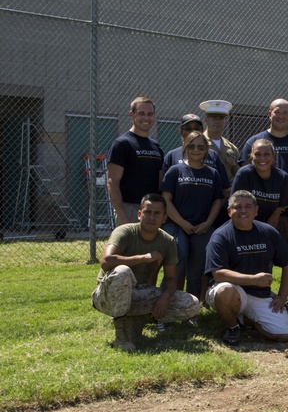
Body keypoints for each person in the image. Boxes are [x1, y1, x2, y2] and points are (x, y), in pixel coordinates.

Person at [92, 194, 200, 351]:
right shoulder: (124, 232)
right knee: (122, 272)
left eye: (157, 213)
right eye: (147, 212)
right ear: (139, 214)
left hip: (138, 294)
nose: (151, 217)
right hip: (107, 296)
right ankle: (121, 336)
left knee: (191, 303)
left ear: (164, 218)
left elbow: (171, 278)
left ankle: (137, 322)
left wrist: (164, 297)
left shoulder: (167, 241)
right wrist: (143, 258)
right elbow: (106, 261)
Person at [204, 191, 288, 345]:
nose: (243, 211)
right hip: (232, 290)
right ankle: (233, 326)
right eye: (237, 207)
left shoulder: (268, 232)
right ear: (229, 211)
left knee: (284, 335)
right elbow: (218, 274)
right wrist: (253, 279)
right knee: (225, 292)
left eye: (248, 207)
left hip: (260, 294)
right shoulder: (220, 236)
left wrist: (282, 296)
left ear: (256, 211)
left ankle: (248, 320)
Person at [160, 130, 225, 304]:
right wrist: (182, 223)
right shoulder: (175, 171)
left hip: (202, 228)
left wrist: (208, 223)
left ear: (206, 150)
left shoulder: (212, 173)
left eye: (201, 147)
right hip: (177, 226)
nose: (196, 150)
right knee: (176, 266)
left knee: (196, 272)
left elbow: (217, 201)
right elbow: (166, 199)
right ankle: (164, 307)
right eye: (192, 146)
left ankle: (190, 309)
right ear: (185, 148)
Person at [239, 98, 288, 238]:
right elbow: (245, 173)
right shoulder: (254, 141)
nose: (281, 116)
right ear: (269, 113)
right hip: (257, 213)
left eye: (285, 112)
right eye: (277, 112)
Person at [106, 96, 165, 226]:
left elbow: (161, 181)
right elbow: (112, 182)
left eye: (150, 114)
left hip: (152, 209)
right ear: (131, 115)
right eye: (141, 114)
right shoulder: (122, 144)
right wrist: (122, 215)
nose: (146, 118)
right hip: (130, 208)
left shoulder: (157, 147)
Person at [232, 139, 288, 230]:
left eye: (267, 154)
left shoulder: (283, 178)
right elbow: (237, 209)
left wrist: (265, 234)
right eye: (257, 154)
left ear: (274, 157)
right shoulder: (244, 174)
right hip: (242, 226)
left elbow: (277, 211)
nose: (262, 158)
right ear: (251, 157)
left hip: (268, 227)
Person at [160, 113, 231, 188]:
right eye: (188, 129)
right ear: (181, 131)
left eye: (197, 128)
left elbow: (224, 187)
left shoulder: (212, 155)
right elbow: (164, 187)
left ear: (202, 130)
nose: (192, 132)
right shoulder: (172, 155)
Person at [201, 99, 240, 182]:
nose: (218, 121)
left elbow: (237, 175)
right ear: (206, 121)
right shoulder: (198, 144)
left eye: (221, 118)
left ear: (225, 122)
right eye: (214, 118)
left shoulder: (232, 148)